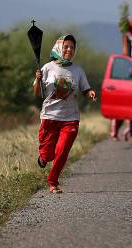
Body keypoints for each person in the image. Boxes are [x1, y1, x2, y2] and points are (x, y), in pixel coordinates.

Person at [33, 35, 97, 194]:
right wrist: (37, 80)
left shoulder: (78, 70)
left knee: (62, 151)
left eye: (72, 47)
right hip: (49, 117)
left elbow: (85, 89)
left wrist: (90, 93)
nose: (69, 50)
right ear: (59, 47)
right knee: (48, 155)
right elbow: (37, 93)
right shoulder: (47, 68)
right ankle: (43, 158)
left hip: (70, 118)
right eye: (66, 46)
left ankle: (53, 182)